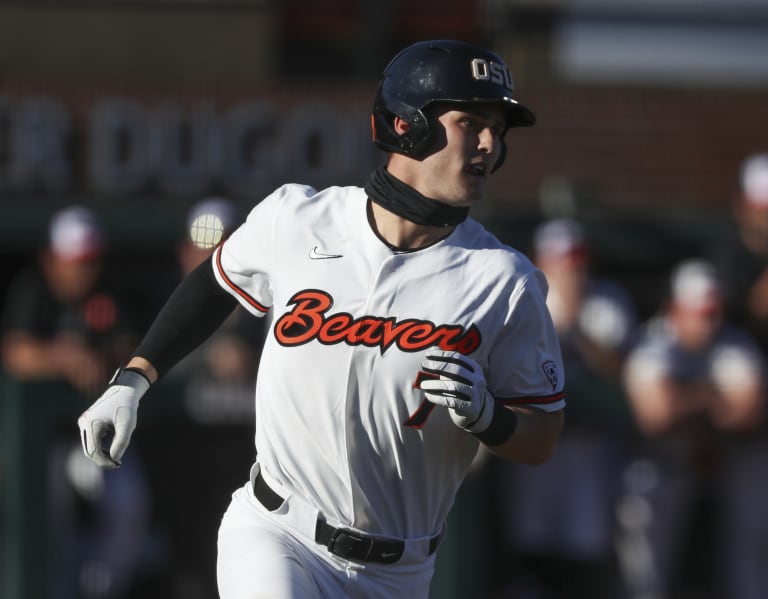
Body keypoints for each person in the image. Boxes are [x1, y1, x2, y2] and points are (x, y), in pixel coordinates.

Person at [76, 39, 566, 599]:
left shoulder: (504, 280)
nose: (488, 143)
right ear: (408, 125)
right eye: (470, 121)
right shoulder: (299, 217)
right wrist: (133, 379)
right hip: (277, 533)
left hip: (399, 572)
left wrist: (490, 418)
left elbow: (542, 436)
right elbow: (214, 282)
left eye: (498, 129)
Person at [1, 206, 151, 599]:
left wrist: (102, 357)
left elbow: (134, 345)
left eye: (89, 261)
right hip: (43, 443)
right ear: (52, 260)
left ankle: (100, 593)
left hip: (95, 436)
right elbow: (14, 352)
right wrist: (62, 358)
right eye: (75, 262)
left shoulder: (109, 293)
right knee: (50, 519)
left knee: (127, 505)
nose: (83, 270)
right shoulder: (34, 290)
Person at [495, 218, 638, 599]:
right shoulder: (523, 295)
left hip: (589, 444)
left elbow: (623, 373)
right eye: (561, 262)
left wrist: (577, 328)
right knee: (530, 534)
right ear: (541, 260)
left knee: (585, 539)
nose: (571, 271)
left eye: (576, 262)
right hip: (534, 434)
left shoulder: (606, 301)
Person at [620, 259, 767, 598]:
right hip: (658, 465)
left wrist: (684, 400)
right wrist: (713, 395)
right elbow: (656, 416)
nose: (709, 322)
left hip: (721, 461)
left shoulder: (733, 343)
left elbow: (750, 411)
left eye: (714, 312)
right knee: (643, 562)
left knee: (753, 496)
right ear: (676, 309)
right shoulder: (654, 344)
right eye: (700, 313)